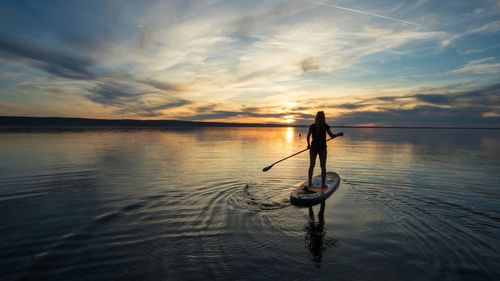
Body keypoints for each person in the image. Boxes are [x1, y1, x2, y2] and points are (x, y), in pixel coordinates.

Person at [306, 111, 343, 190]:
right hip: (322, 148)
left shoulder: (312, 126)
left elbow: (308, 136)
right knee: (323, 166)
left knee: (311, 165)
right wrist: (339, 134)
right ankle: (323, 184)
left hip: (313, 148)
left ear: (316, 117)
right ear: (323, 118)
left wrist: (308, 144)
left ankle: (309, 183)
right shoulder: (325, 126)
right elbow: (332, 136)